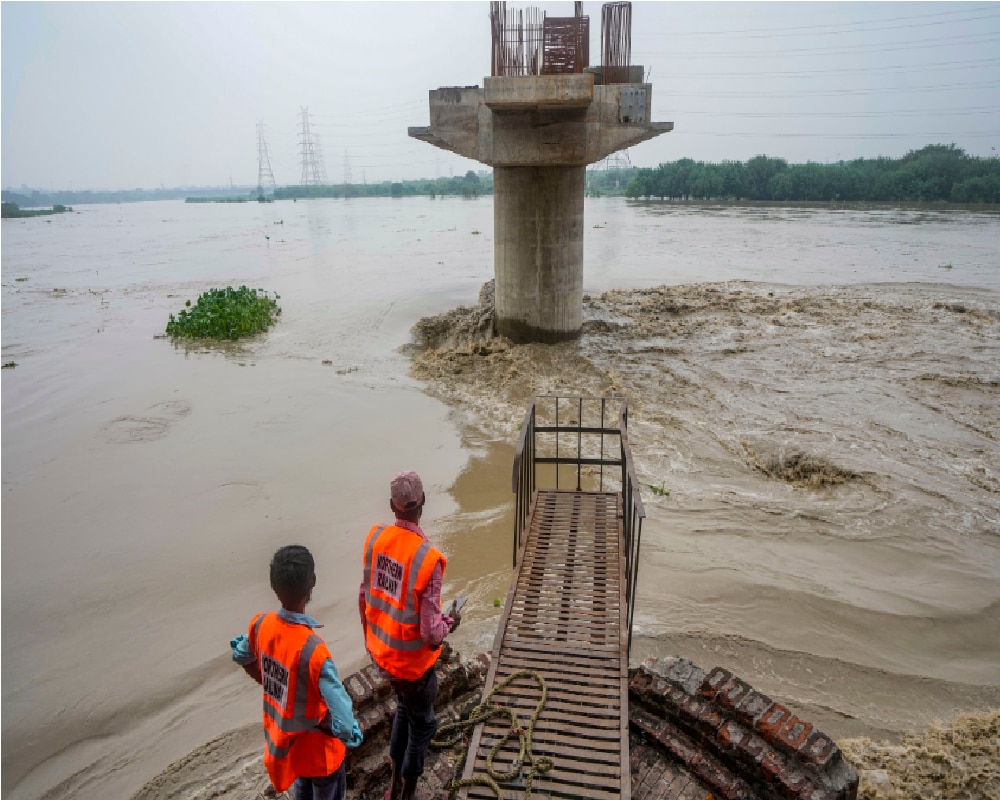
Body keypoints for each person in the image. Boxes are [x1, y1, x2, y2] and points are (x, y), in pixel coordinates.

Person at [231, 545, 363, 800]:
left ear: (273, 586)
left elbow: (242, 655)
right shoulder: (313, 651)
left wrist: (271, 684)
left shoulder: (260, 625)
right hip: (321, 755)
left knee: (302, 788)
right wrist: (335, 729)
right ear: (312, 582)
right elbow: (345, 725)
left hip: (288, 745)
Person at [359, 471, 461, 800]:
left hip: (382, 655)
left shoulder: (375, 539)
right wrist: (451, 623)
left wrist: (372, 642)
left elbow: (365, 598)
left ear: (392, 505)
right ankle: (407, 791)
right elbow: (432, 633)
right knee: (424, 724)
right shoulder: (427, 558)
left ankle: (395, 786)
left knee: (404, 709)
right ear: (423, 504)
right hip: (413, 667)